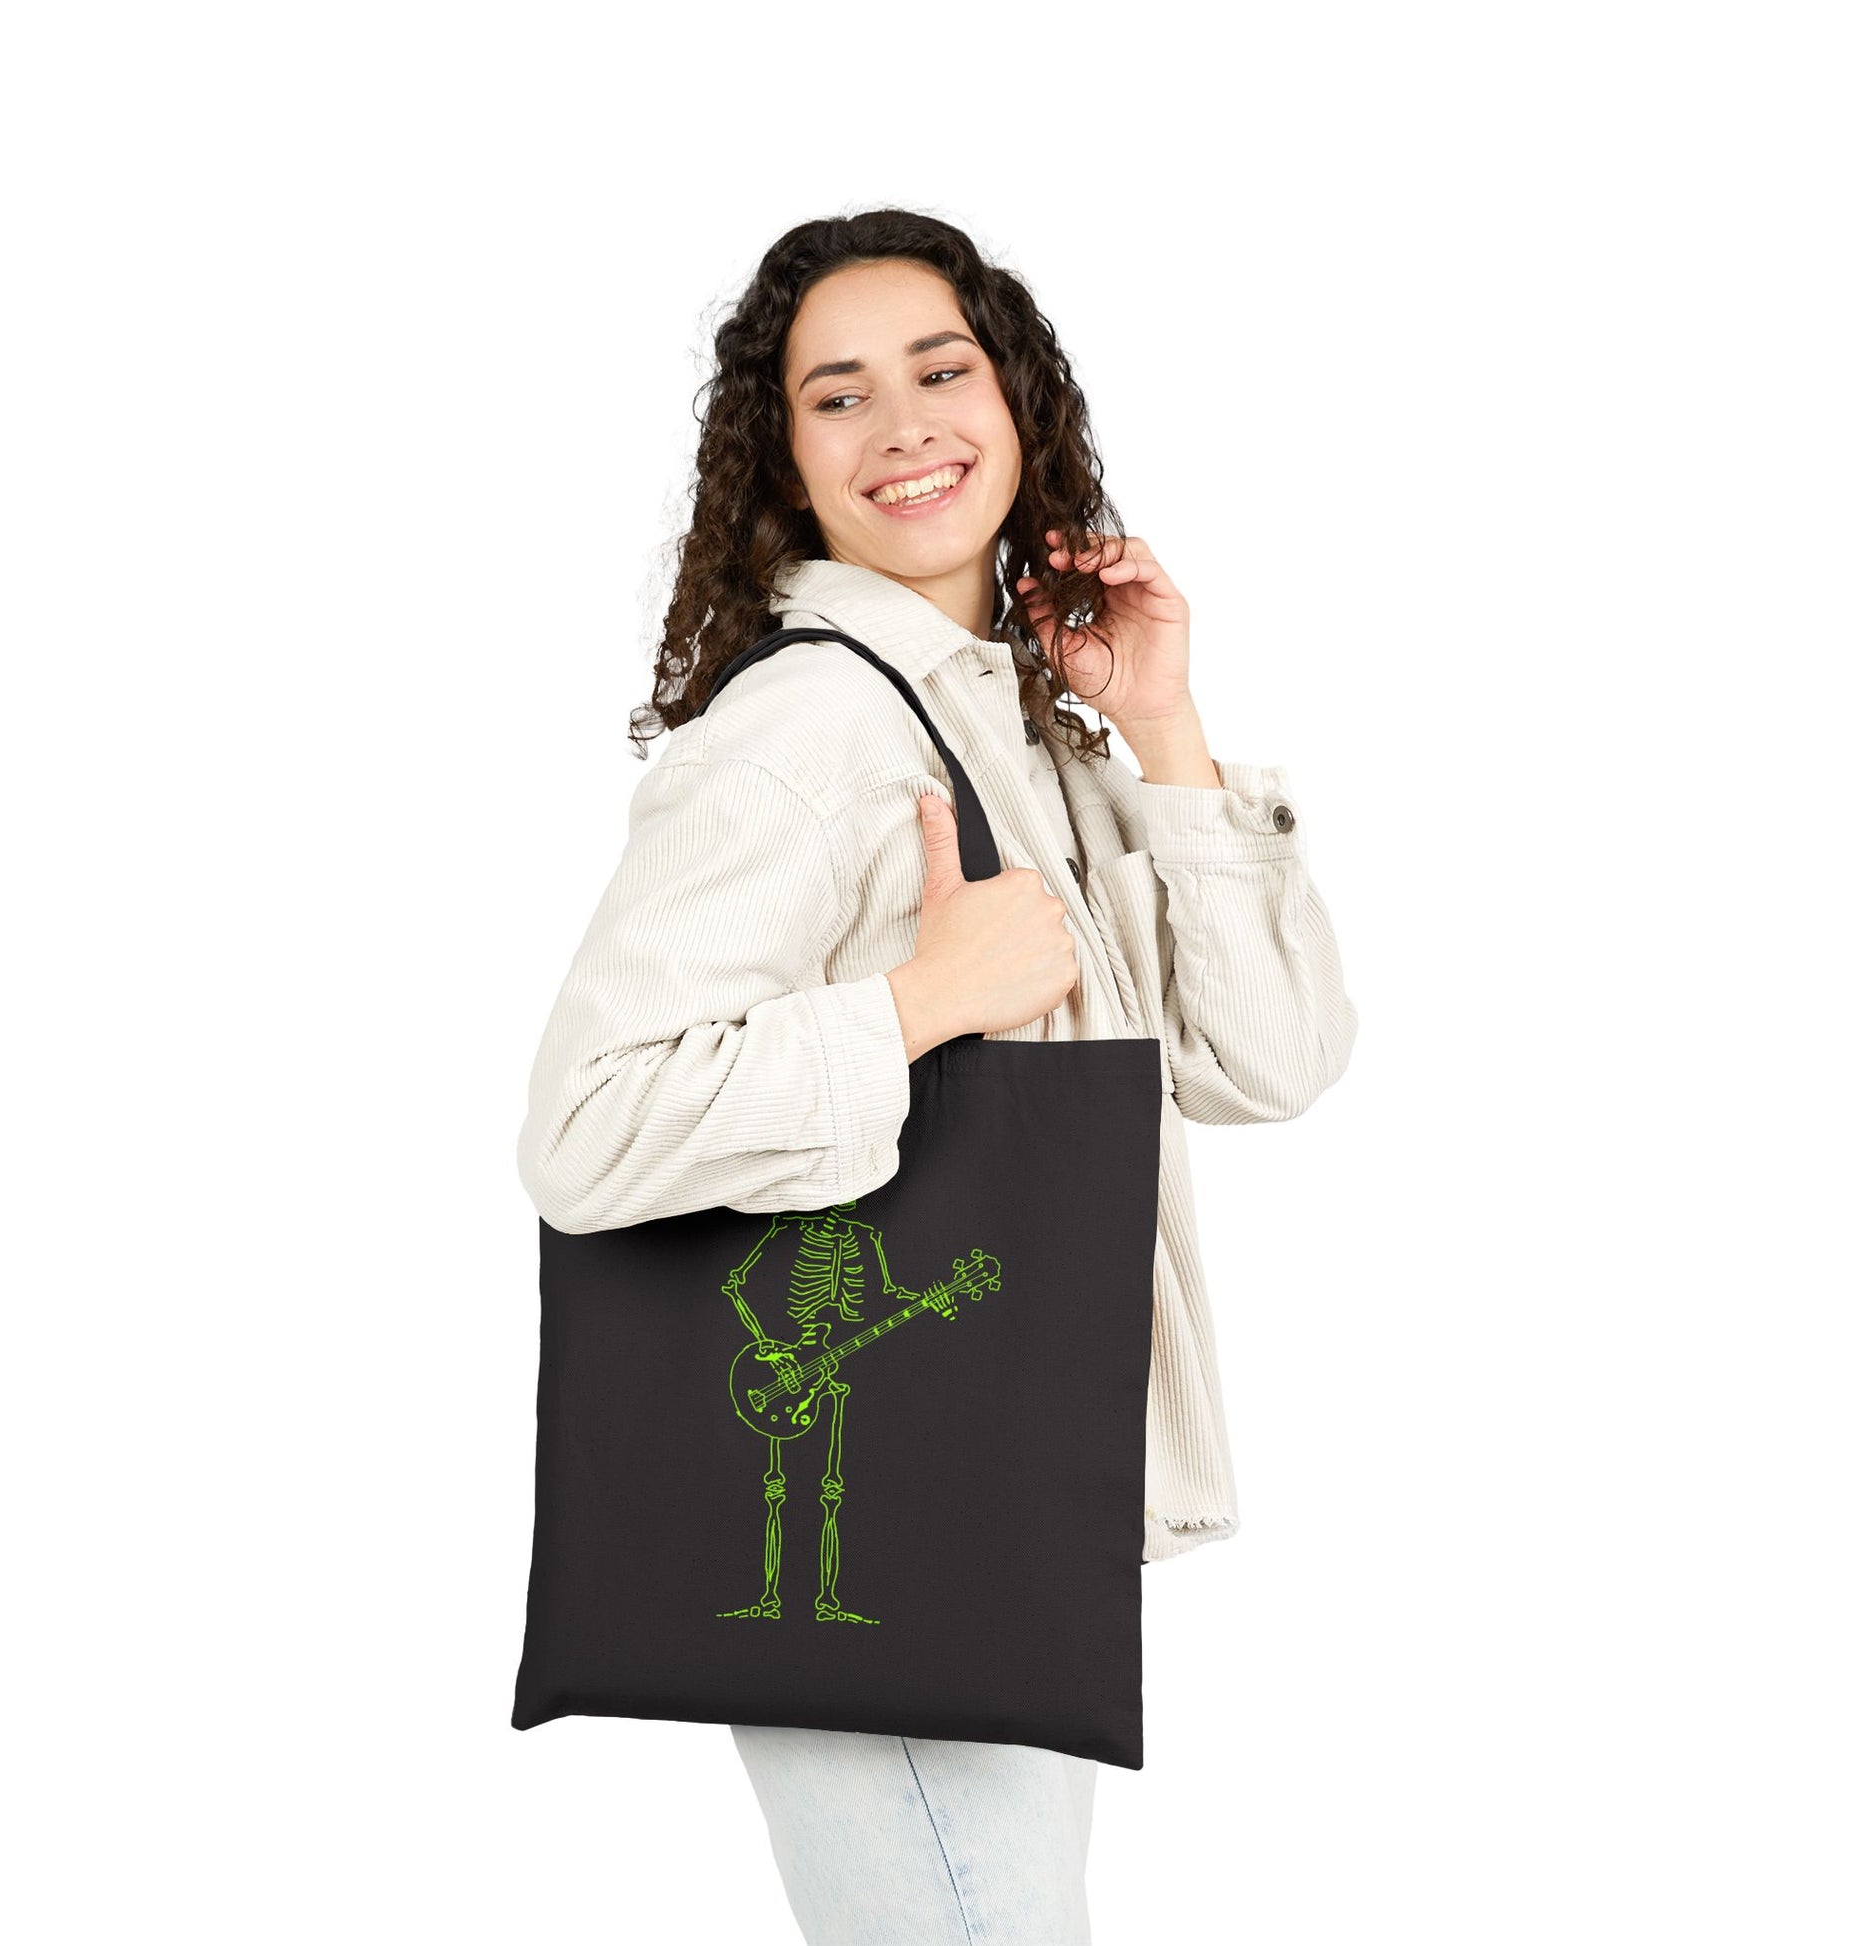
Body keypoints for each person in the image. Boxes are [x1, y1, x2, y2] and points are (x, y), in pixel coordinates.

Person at [516, 207, 1359, 1945]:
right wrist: (915, 1003)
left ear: (1019, 405)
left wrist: (1167, 733)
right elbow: (585, 1129)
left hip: (993, 1506)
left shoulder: (1009, 728)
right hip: (878, 1513)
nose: (902, 422)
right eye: (838, 395)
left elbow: (1266, 1063)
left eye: (940, 368)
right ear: (787, 468)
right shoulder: (807, 730)